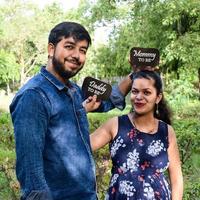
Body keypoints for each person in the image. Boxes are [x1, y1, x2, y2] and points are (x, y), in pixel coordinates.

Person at [10, 21, 132, 200]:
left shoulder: (73, 91)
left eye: (83, 50)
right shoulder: (34, 96)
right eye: (69, 47)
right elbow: (30, 170)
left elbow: (105, 102)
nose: (77, 55)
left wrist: (133, 76)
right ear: (51, 49)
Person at [90, 70, 183, 200]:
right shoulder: (116, 124)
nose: (139, 97)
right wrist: (82, 110)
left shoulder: (166, 131)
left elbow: (177, 179)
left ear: (158, 97)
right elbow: (81, 145)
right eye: (135, 91)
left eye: (146, 92)